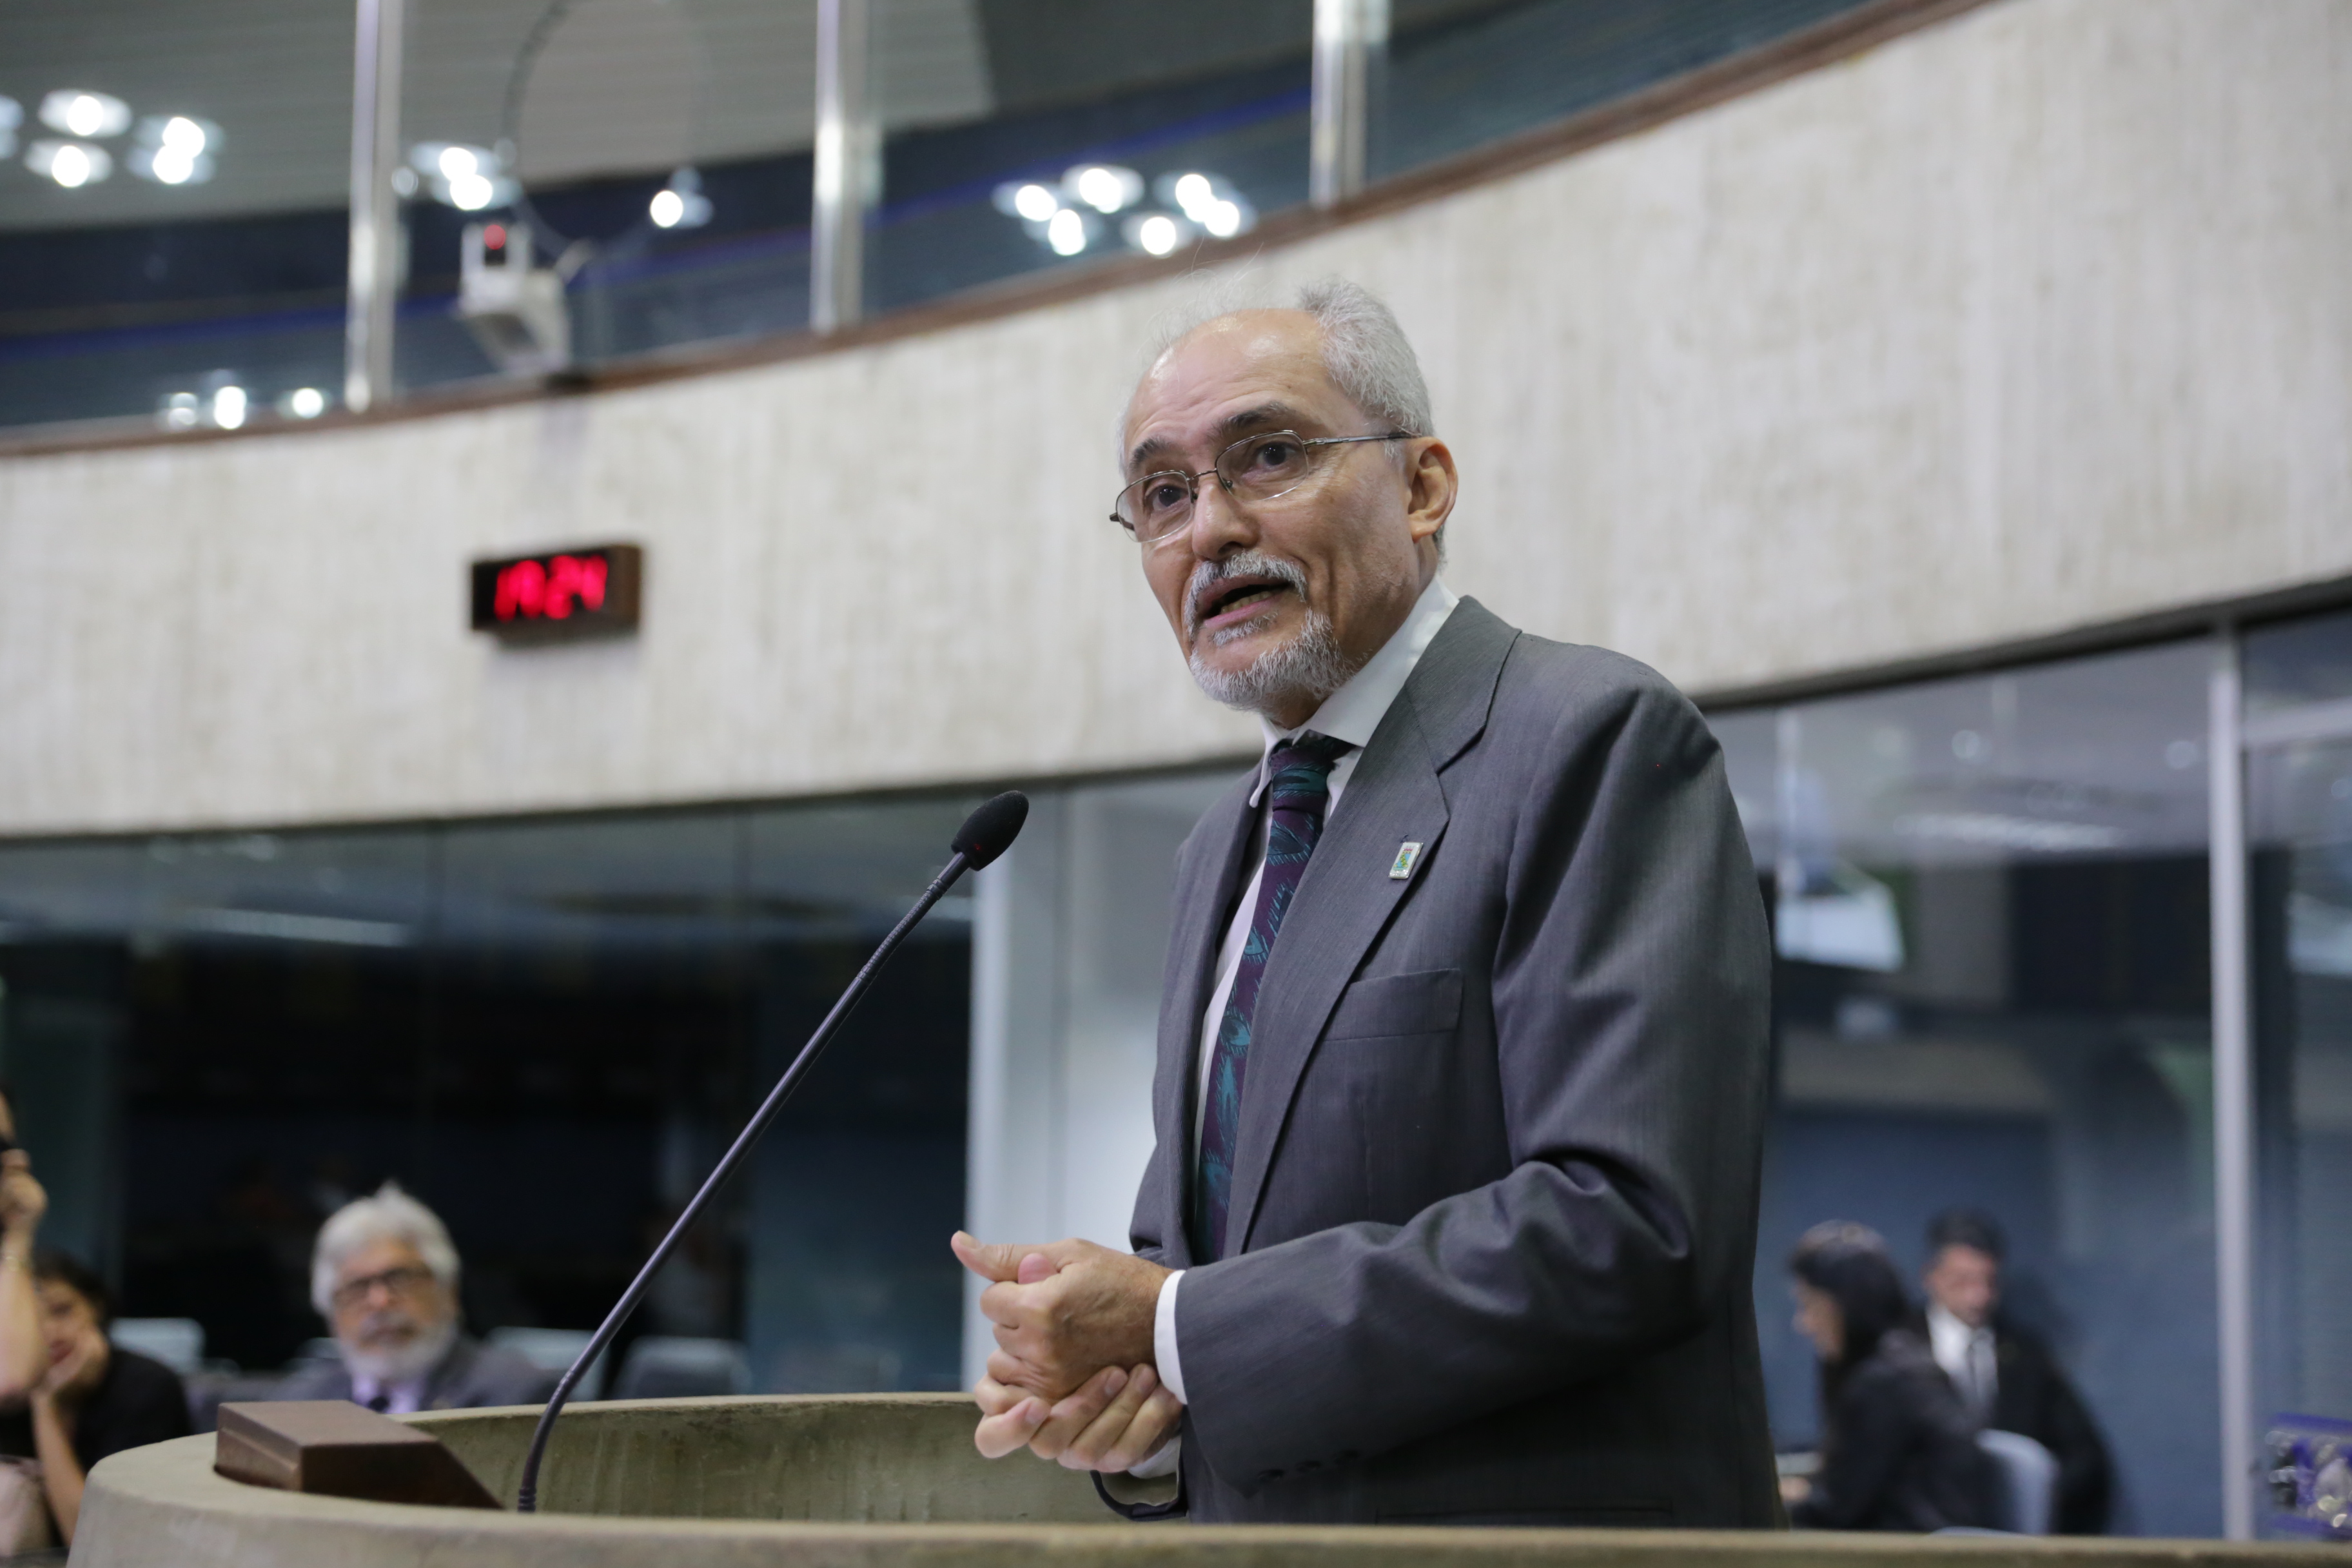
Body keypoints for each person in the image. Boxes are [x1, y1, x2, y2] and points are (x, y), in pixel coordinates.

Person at [950, 279, 1778, 1524]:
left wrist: (1173, 1325)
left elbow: (1626, 1224)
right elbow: (1206, 1272)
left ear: (1422, 486)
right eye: (1162, 493)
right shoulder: (1219, 848)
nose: (1211, 528)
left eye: (1268, 456)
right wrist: (1132, 1401)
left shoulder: (1587, 738)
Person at [1783, 1222, 1992, 1533]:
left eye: (1810, 1305)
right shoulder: (1899, 1364)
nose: (1804, 1323)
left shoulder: (1885, 1383)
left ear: (1844, 1307)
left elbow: (1836, 1510)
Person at [273, 1184, 555, 1413]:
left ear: (449, 1291)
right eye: (357, 1287)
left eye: (399, 1278)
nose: (380, 1301)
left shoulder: (519, 1397)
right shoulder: (297, 1406)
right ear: (329, 1311)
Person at [1921, 1209, 2112, 1533]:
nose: (1978, 1297)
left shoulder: (2026, 1355)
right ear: (1932, 1278)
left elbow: (2083, 1459)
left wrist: (2036, 1504)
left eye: (1988, 1282)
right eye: (1962, 1281)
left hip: (2011, 1535)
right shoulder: (1897, 1349)